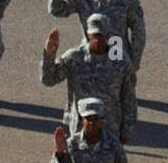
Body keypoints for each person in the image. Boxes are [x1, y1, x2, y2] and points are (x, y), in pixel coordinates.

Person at [41, 15, 137, 143]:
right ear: (88, 34)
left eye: (101, 35)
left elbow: (128, 97)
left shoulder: (120, 61)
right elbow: (49, 80)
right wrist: (49, 55)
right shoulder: (74, 58)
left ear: (108, 35)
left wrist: (126, 130)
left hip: (109, 127)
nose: (98, 39)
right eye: (95, 35)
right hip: (80, 128)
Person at [47, 0, 145, 71]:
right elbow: (57, 10)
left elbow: (138, 28)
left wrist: (135, 59)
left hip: (117, 58)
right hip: (90, 60)